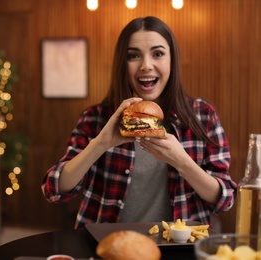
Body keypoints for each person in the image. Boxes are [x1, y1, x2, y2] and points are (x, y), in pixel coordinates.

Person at [41, 16, 237, 229]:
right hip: (106, 244)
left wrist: (182, 161)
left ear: (172, 59)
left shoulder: (203, 115)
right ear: (122, 64)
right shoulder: (95, 117)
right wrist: (100, 144)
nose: (146, 65)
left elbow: (225, 199)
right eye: (133, 55)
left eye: (158, 54)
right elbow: (53, 189)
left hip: (178, 246)